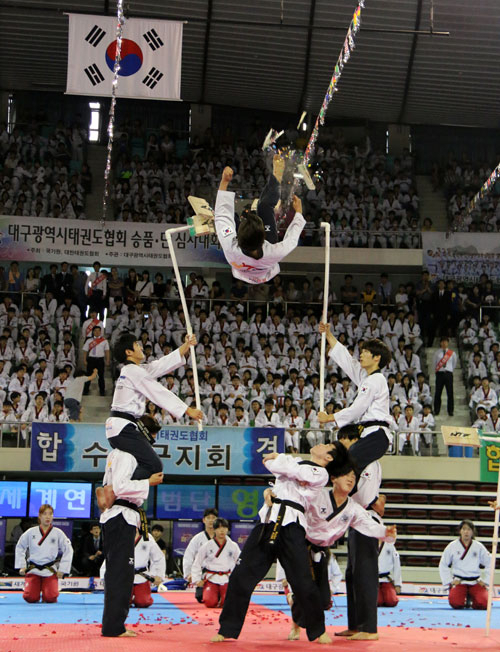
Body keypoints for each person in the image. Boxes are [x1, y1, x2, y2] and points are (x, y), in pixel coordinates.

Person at [211, 443, 347, 644]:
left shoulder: (320, 474)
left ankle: (317, 630)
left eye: (326, 445)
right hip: (268, 521)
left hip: (292, 526)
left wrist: (281, 460)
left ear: (329, 458)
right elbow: (271, 465)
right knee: (241, 575)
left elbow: (285, 467)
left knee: (302, 581)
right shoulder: (296, 463)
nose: (321, 443)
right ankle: (227, 628)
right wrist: (277, 474)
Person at [269, 462, 396, 641]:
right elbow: (294, 496)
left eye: (354, 476)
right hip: (301, 545)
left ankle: (307, 622)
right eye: (346, 475)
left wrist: (385, 533)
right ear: (334, 479)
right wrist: (273, 492)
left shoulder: (352, 507)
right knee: (302, 589)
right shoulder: (317, 495)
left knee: (322, 598)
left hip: (321, 550)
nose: (351, 479)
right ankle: (300, 628)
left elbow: (367, 525)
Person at [96, 333, 203, 509]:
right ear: (129, 352)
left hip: (122, 426)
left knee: (148, 464)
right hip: (123, 427)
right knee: (154, 465)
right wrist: (187, 410)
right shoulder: (133, 372)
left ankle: (114, 488)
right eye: (137, 345)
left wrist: (186, 346)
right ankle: (113, 489)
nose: (141, 347)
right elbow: (157, 391)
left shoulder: (135, 370)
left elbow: (160, 366)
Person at [99, 444, 164, 637]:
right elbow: (120, 487)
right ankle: (114, 627)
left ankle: (112, 624)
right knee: (120, 574)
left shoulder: (115, 454)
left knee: (116, 572)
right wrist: (148, 482)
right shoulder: (128, 454)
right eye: (151, 437)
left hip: (117, 515)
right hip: (121, 514)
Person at [333, 424, 388, 641]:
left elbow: (366, 498)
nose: (342, 446)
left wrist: (371, 501)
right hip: (355, 521)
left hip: (366, 520)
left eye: (343, 441)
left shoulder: (370, 463)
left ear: (352, 439)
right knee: (353, 574)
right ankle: (355, 625)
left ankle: (369, 628)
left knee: (365, 574)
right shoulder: (354, 465)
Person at [214, 164, 305, 285]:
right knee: (264, 207)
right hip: (265, 270)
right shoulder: (273, 252)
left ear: (238, 237)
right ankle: (276, 176)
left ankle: (274, 180)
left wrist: (224, 181)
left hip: (242, 268)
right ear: (264, 238)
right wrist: (298, 212)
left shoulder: (230, 245)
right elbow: (292, 239)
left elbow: (222, 214)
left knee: (233, 217)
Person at [317, 322, 392, 469]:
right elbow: (347, 361)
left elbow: (357, 409)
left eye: (365, 352)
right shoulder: (367, 377)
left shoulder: (375, 380)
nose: (361, 355)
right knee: (349, 469)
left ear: (376, 358)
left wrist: (329, 418)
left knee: (344, 466)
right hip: (368, 433)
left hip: (376, 435)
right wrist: (328, 335)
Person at [15, 504, 73, 603]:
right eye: (45, 514)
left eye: (50, 514)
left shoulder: (58, 533)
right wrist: (22, 565)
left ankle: (48, 589)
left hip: (49, 570)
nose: (48, 517)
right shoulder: (31, 532)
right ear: (39, 516)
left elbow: (68, 549)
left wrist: (62, 569)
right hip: (34, 569)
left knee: (51, 597)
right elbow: (20, 546)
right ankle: (34, 589)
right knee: (30, 597)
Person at [100, 527, 166, 608]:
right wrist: (105, 576)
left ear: (137, 528)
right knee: (121, 603)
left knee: (143, 602)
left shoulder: (146, 537)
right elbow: (110, 558)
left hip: (141, 576)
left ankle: (136, 596)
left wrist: (158, 574)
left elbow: (158, 557)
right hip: (122, 576)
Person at [439, 520, 490, 610]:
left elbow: (489, 563)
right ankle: (463, 596)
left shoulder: (478, 546)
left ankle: (472, 599)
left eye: (469, 529)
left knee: (484, 604)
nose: (466, 532)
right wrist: (450, 581)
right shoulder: (452, 546)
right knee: (455, 603)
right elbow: (443, 564)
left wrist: (485, 581)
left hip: (475, 581)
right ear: (460, 531)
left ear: (472, 532)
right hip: (459, 581)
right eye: (464, 529)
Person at [191, 518, 240, 608]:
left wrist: (240, 579)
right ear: (214, 530)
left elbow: (240, 562)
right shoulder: (207, 545)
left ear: (228, 529)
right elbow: (197, 562)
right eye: (219, 528)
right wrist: (197, 580)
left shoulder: (233, 545)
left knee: (227, 603)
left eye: (224, 528)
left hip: (226, 578)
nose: (222, 530)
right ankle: (214, 595)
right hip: (211, 578)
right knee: (210, 603)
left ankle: (221, 596)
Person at [183, 507, 218, 601]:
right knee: (201, 597)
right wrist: (189, 574)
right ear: (203, 520)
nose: (211, 520)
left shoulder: (223, 538)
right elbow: (188, 556)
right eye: (208, 518)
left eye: (213, 518)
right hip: (203, 574)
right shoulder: (197, 538)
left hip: (219, 573)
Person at [82, 326, 110, 396]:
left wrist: (107, 360)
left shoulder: (104, 341)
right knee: (88, 375)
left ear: (101, 332)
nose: (97, 332)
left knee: (101, 376)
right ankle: (86, 390)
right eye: (95, 331)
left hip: (100, 360)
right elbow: (85, 351)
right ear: (93, 332)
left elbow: (107, 351)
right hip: (91, 359)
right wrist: (84, 360)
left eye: (98, 331)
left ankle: (102, 391)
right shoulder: (89, 340)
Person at [433, 335, 457, 417]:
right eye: (442, 342)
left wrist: (449, 370)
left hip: (448, 374)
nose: (444, 343)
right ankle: (436, 410)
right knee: (438, 392)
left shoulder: (452, 353)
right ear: (440, 343)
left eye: (445, 342)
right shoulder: (437, 353)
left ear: (448, 343)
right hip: (439, 374)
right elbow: (434, 363)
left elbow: (454, 364)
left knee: (450, 393)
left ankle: (450, 411)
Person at [378, 541, 402, 607]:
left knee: (392, 601)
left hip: (385, 579)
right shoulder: (369, 544)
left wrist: (398, 584)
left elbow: (397, 565)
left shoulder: (390, 545)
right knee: (377, 602)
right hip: (372, 580)